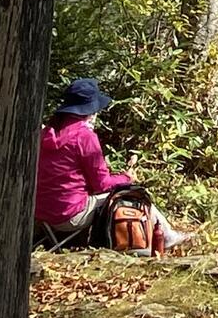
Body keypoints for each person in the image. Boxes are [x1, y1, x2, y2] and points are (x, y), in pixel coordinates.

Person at [34, 77, 192, 253]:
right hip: (70, 216)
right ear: (92, 110)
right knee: (134, 194)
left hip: (40, 213)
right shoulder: (84, 137)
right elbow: (101, 184)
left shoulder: (46, 132)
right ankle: (167, 236)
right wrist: (126, 177)